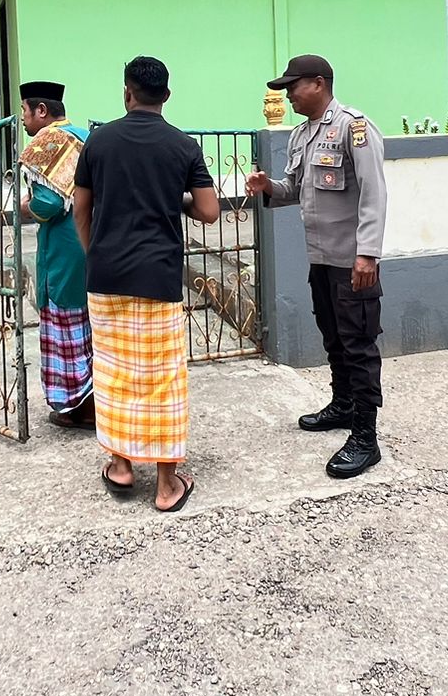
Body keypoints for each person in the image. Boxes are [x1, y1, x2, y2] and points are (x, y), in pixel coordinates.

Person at [73, 56, 219, 513]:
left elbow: (81, 206)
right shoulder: (183, 146)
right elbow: (210, 211)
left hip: (107, 275)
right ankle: (166, 485)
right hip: (157, 277)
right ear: (167, 97)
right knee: (162, 380)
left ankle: (119, 465)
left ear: (126, 92)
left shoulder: (98, 141)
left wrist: (94, 251)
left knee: (113, 372)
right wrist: (176, 201)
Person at [245, 54, 388, 479]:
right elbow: (295, 189)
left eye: (293, 86)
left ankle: (365, 436)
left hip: (352, 261)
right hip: (321, 259)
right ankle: (343, 406)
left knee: (359, 345)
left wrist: (368, 253)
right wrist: (268, 186)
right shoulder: (302, 134)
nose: (287, 94)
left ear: (319, 83)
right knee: (334, 338)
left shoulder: (354, 127)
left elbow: (373, 194)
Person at [17, 81, 95, 429]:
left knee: (67, 325)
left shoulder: (47, 142)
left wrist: (26, 206)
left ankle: (79, 406)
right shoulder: (87, 136)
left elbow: (48, 203)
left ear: (41, 111)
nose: (21, 118)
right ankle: (99, 402)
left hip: (63, 247)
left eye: (24, 110)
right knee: (92, 326)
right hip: (92, 239)